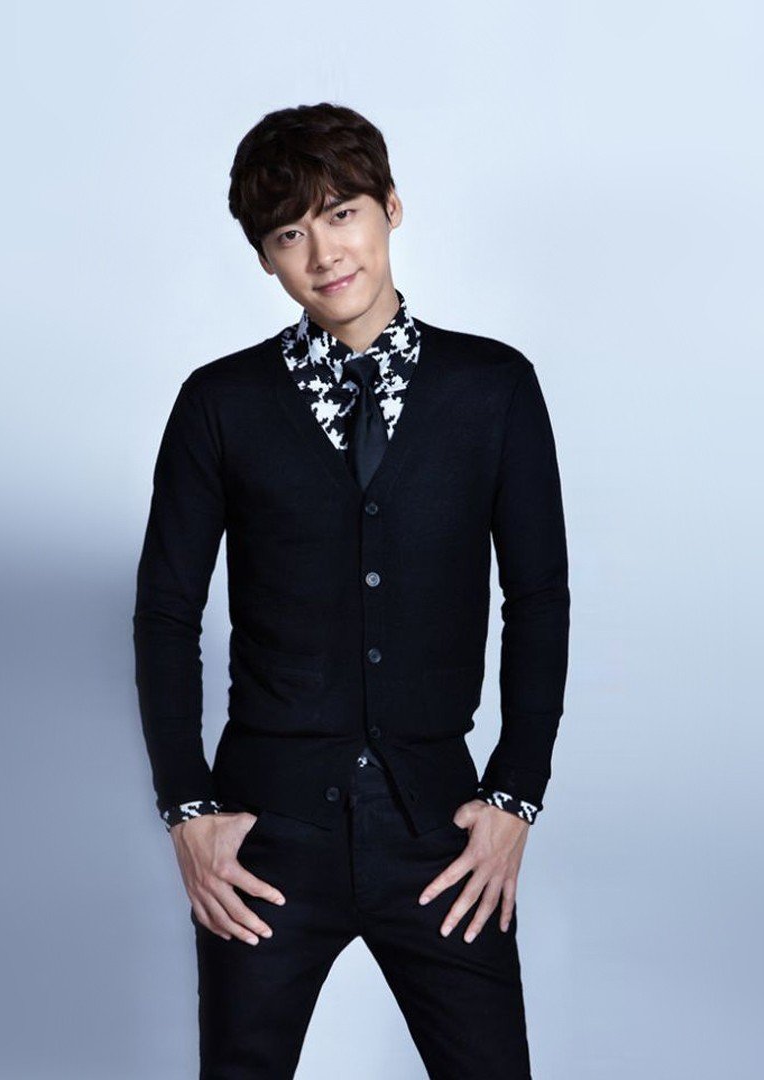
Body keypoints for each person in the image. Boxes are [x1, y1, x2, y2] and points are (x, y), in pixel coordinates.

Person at [133, 101, 570, 1079]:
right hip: (266, 838)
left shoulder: (492, 389)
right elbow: (166, 613)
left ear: (391, 209)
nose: (324, 252)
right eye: (290, 233)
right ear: (265, 259)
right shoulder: (221, 404)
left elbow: (538, 595)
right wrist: (187, 810)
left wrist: (516, 795)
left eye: (341, 214)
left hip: (441, 831)